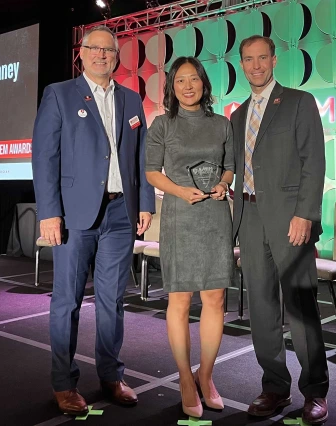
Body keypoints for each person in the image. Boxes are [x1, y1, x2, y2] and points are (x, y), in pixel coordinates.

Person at [32, 25, 155, 416]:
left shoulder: (132, 100)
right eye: (94, 49)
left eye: (109, 50)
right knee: (66, 302)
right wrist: (49, 212)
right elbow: (44, 158)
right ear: (81, 54)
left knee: (111, 301)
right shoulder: (59, 94)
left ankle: (110, 375)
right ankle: (64, 382)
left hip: (121, 214)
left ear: (117, 57)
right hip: (73, 215)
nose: (102, 55)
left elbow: (141, 159)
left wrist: (145, 203)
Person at [230, 35, 329, 425]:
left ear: (274, 60)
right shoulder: (237, 116)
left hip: (292, 221)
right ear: (241, 63)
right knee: (263, 310)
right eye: (248, 59)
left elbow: (314, 161)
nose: (255, 65)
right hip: (250, 219)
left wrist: (305, 213)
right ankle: (274, 386)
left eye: (261, 58)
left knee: (301, 308)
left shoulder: (299, 102)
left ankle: (315, 391)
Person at [145, 57, 234, 418]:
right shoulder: (161, 125)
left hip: (214, 216)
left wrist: (223, 184)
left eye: (193, 79)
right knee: (179, 302)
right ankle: (184, 378)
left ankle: (206, 375)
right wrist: (180, 192)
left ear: (203, 83)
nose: (187, 86)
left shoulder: (223, 125)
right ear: (172, 87)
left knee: (215, 299)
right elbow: (152, 172)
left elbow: (230, 167)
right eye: (180, 80)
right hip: (181, 217)